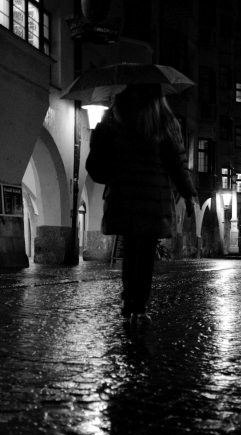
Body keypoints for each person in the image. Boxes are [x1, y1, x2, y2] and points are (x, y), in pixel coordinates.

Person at [86, 84, 197, 323]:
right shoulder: (165, 123)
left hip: (124, 195)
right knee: (145, 253)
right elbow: (177, 165)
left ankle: (128, 302)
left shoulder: (117, 119)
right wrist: (188, 194)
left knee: (130, 249)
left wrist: (103, 126)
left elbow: (98, 165)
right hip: (153, 199)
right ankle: (139, 307)